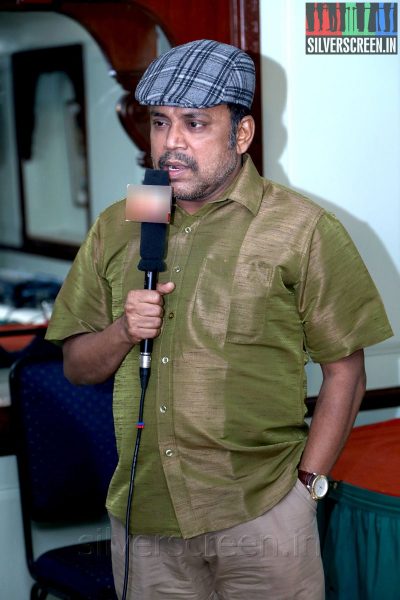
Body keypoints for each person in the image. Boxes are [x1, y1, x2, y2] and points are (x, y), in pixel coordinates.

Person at [46, 39, 393, 599]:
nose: (171, 144)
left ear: (243, 134)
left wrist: (306, 488)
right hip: (146, 521)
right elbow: (77, 367)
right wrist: (122, 331)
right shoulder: (119, 225)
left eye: (195, 124)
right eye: (160, 123)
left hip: (262, 516)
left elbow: (345, 373)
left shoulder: (302, 229)